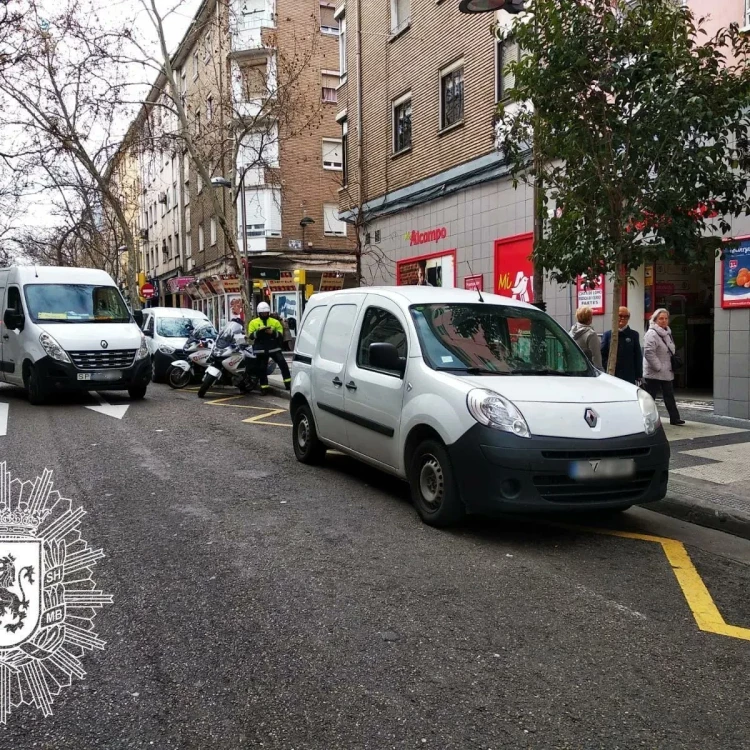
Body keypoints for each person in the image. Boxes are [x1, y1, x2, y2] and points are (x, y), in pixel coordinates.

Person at [643, 308, 685, 425]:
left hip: (666, 371)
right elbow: (649, 352)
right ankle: (646, 418)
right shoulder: (651, 334)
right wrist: (658, 367)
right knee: (650, 398)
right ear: (655, 320)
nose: (664, 321)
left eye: (666, 318)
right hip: (654, 372)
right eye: (661, 318)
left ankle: (675, 418)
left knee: (669, 396)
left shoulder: (667, 333)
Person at [247, 302, 292, 393]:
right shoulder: (253, 322)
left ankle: (288, 385)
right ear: (259, 313)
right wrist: (259, 332)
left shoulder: (275, 322)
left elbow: (280, 335)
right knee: (262, 369)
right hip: (261, 349)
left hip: (274, 348)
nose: (265, 314)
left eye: (266, 313)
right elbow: (251, 336)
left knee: (283, 365)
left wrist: (272, 333)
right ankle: (264, 388)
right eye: (263, 313)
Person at [600, 306, 643, 385]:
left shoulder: (634, 335)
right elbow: (602, 354)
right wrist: (608, 366)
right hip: (612, 375)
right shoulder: (607, 335)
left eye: (626, 316)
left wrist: (639, 375)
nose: (623, 318)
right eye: (620, 316)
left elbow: (638, 356)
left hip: (629, 375)